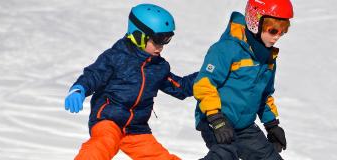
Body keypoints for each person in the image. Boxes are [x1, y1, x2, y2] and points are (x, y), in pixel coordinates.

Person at [64, 3, 197, 160]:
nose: (161, 47)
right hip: (108, 120)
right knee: (102, 144)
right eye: (157, 40)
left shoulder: (158, 67)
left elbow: (179, 88)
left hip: (136, 128)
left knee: (161, 157)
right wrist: (79, 88)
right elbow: (94, 75)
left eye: (166, 40)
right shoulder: (115, 57)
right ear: (138, 35)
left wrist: (209, 76)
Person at [192, 0, 293, 159]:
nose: (277, 37)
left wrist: (272, 125)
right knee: (225, 155)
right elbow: (204, 85)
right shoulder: (227, 49)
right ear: (255, 22)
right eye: (273, 31)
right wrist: (215, 117)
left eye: (282, 32)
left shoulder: (268, 58)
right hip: (216, 120)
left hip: (245, 127)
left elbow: (265, 95)